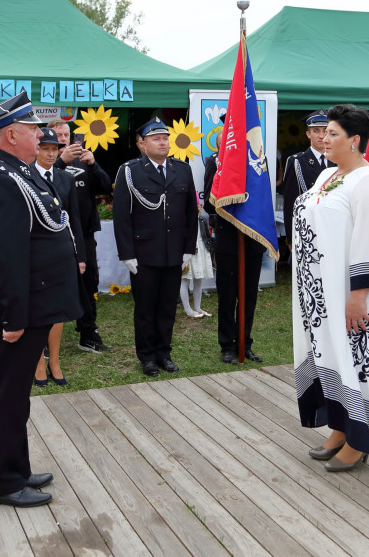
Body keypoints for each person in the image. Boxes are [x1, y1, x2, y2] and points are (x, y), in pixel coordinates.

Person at [0, 91, 82, 508]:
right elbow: (4, 257)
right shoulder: (0, 177)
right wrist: (13, 317)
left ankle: (15, 467)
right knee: (7, 396)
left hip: (35, 304)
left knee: (18, 396)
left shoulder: (18, 171)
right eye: (34, 128)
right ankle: (1, 482)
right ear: (11, 133)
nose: (43, 134)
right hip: (17, 310)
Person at [292, 104, 369, 472]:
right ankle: (340, 428)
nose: (323, 138)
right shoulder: (327, 177)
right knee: (332, 356)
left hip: (354, 294)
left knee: (358, 360)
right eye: (322, 132)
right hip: (322, 294)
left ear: (354, 140)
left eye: (332, 133)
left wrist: (359, 297)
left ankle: (362, 439)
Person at [113, 117, 197, 377]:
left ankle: (164, 353)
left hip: (173, 252)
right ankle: (147, 356)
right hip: (144, 253)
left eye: (165, 138)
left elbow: (190, 213)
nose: (163, 143)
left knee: (167, 307)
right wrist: (127, 253)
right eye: (156, 139)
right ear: (143, 144)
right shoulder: (130, 171)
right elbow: (121, 216)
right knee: (146, 308)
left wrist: (188, 248)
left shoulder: (182, 169)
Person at [45, 117, 113, 353]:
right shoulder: (44, 159)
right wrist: (61, 161)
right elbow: (42, 183)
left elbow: (106, 187)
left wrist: (93, 164)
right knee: (51, 283)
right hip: (54, 234)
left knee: (89, 281)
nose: (64, 139)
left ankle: (88, 331)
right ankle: (45, 336)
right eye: (58, 135)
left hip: (84, 233)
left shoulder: (84, 159)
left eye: (66, 135)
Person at [30, 127, 85, 387]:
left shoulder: (66, 180)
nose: (51, 154)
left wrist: (80, 256)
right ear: (36, 149)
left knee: (59, 310)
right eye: (45, 149)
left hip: (63, 253)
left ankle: (55, 360)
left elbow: (74, 219)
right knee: (39, 308)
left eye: (55, 149)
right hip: (37, 254)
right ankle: (38, 360)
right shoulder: (25, 176)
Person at [203, 150, 265, 362]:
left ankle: (244, 343)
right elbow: (209, 204)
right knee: (228, 296)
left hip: (253, 238)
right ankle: (227, 346)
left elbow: (263, 196)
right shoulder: (216, 161)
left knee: (249, 296)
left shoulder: (257, 158)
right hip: (229, 239)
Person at [283, 110, 335, 250]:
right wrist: (290, 237)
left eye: (326, 131)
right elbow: (290, 203)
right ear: (308, 134)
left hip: (334, 228)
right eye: (316, 131)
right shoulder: (297, 162)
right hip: (307, 228)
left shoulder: (339, 161)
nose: (321, 135)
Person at [179, 196, 212, 319]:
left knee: (199, 280)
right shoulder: (182, 220)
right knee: (185, 280)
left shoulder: (202, 219)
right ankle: (188, 310)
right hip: (188, 252)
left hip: (201, 250)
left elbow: (206, 235)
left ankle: (197, 307)